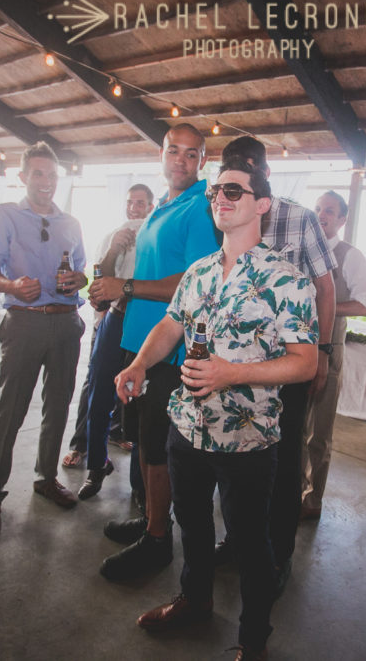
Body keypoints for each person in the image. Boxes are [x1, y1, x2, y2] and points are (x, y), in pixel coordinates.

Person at [121, 159, 317, 661]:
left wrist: (232, 373)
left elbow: (306, 363)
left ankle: (253, 638)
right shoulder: (200, 270)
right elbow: (171, 325)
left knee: (250, 542)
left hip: (246, 438)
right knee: (192, 525)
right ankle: (195, 601)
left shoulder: (288, 280)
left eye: (234, 190)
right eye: (215, 191)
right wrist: (140, 364)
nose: (220, 198)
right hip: (187, 426)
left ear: (262, 204)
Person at [88, 123, 221, 580]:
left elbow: (194, 282)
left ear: (203, 160)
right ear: (161, 154)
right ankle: (151, 520)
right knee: (143, 441)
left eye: (191, 154)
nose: (181, 161)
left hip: (170, 347)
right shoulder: (163, 203)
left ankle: (159, 540)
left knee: (158, 448)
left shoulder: (200, 208)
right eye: (173, 151)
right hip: (140, 342)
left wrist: (125, 286)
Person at [216, 135, 336, 592]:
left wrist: (323, 353)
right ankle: (237, 540)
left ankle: (278, 554)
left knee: (282, 463)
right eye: (229, 174)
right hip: (231, 369)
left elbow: (325, 288)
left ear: (265, 174)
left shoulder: (299, 218)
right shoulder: (221, 214)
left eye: (249, 169)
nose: (232, 188)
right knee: (233, 457)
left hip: (286, 366)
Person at [0, 141, 87, 537]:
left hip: (66, 322)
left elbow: (81, 272)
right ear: (23, 176)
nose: (46, 181)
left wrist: (79, 279)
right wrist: (10, 285)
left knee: (57, 407)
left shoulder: (70, 223)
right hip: (24, 322)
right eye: (38, 173)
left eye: (52, 174)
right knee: (11, 411)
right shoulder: (4, 215)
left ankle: (46, 478)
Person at [63, 184, 154, 502]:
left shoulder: (155, 233)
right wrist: (115, 248)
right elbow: (100, 274)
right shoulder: (114, 234)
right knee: (99, 392)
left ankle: (140, 485)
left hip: (145, 321)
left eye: (140, 203)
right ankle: (96, 466)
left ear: (151, 206)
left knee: (142, 400)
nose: (134, 208)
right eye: (130, 202)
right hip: (114, 318)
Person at [300, 190, 366, 520]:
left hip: (330, 351)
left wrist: (324, 306)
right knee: (295, 427)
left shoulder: (351, 256)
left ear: (342, 219)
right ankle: (291, 490)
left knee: (320, 432)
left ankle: (312, 500)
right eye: (317, 208)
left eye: (329, 210)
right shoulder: (301, 251)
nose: (321, 214)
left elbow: (363, 305)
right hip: (296, 350)